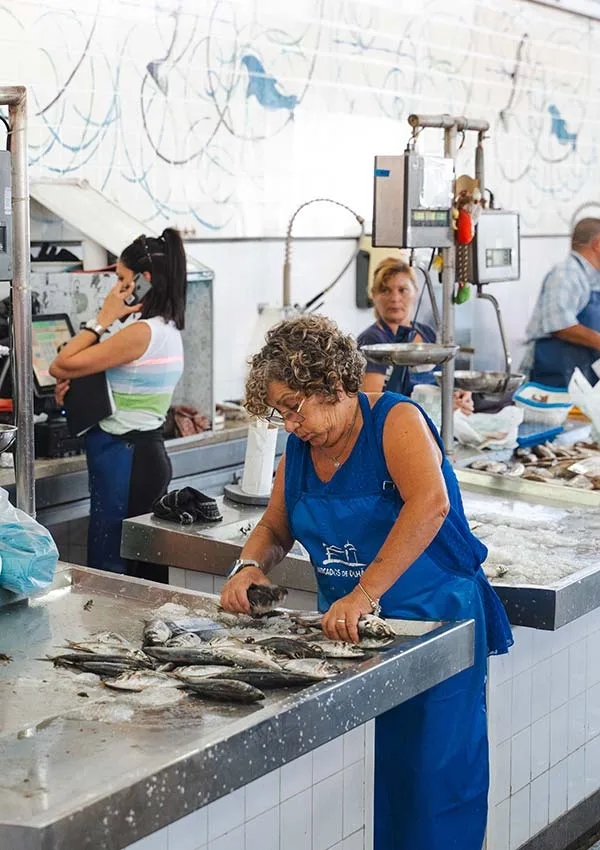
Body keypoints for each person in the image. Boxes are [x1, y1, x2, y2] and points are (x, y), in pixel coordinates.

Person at [220, 314, 512, 850]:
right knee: (361, 787)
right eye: (279, 412)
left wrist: (364, 593)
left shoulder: (394, 421)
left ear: (332, 385)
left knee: (433, 786)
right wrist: (249, 565)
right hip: (351, 643)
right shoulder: (303, 451)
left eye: (293, 407)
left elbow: (430, 505)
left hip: (433, 625)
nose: (289, 423)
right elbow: (274, 526)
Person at [50, 229, 186, 582]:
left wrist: (102, 318)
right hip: (136, 455)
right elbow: (117, 382)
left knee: (115, 571)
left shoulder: (141, 333)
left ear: (143, 282)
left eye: (122, 280)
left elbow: (60, 363)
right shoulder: (164, 329)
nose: (116, 289)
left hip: (126, 459)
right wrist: (76, 390)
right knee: (135, 568)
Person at [357, 257, 473, 413]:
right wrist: (439, 407)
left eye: (402, 290)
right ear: (374, 295)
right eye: (385, 290)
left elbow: (446, 383)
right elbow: (373, 405)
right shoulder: (372, 340)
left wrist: (460, 397)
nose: (395, 298)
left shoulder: (428, 333)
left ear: (416, 293)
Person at [522, 217, 600, 388]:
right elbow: (560, 326)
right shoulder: (567, 273)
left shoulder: (592, 277)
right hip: (556, 376)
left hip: (581, 377)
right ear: (597, 244)